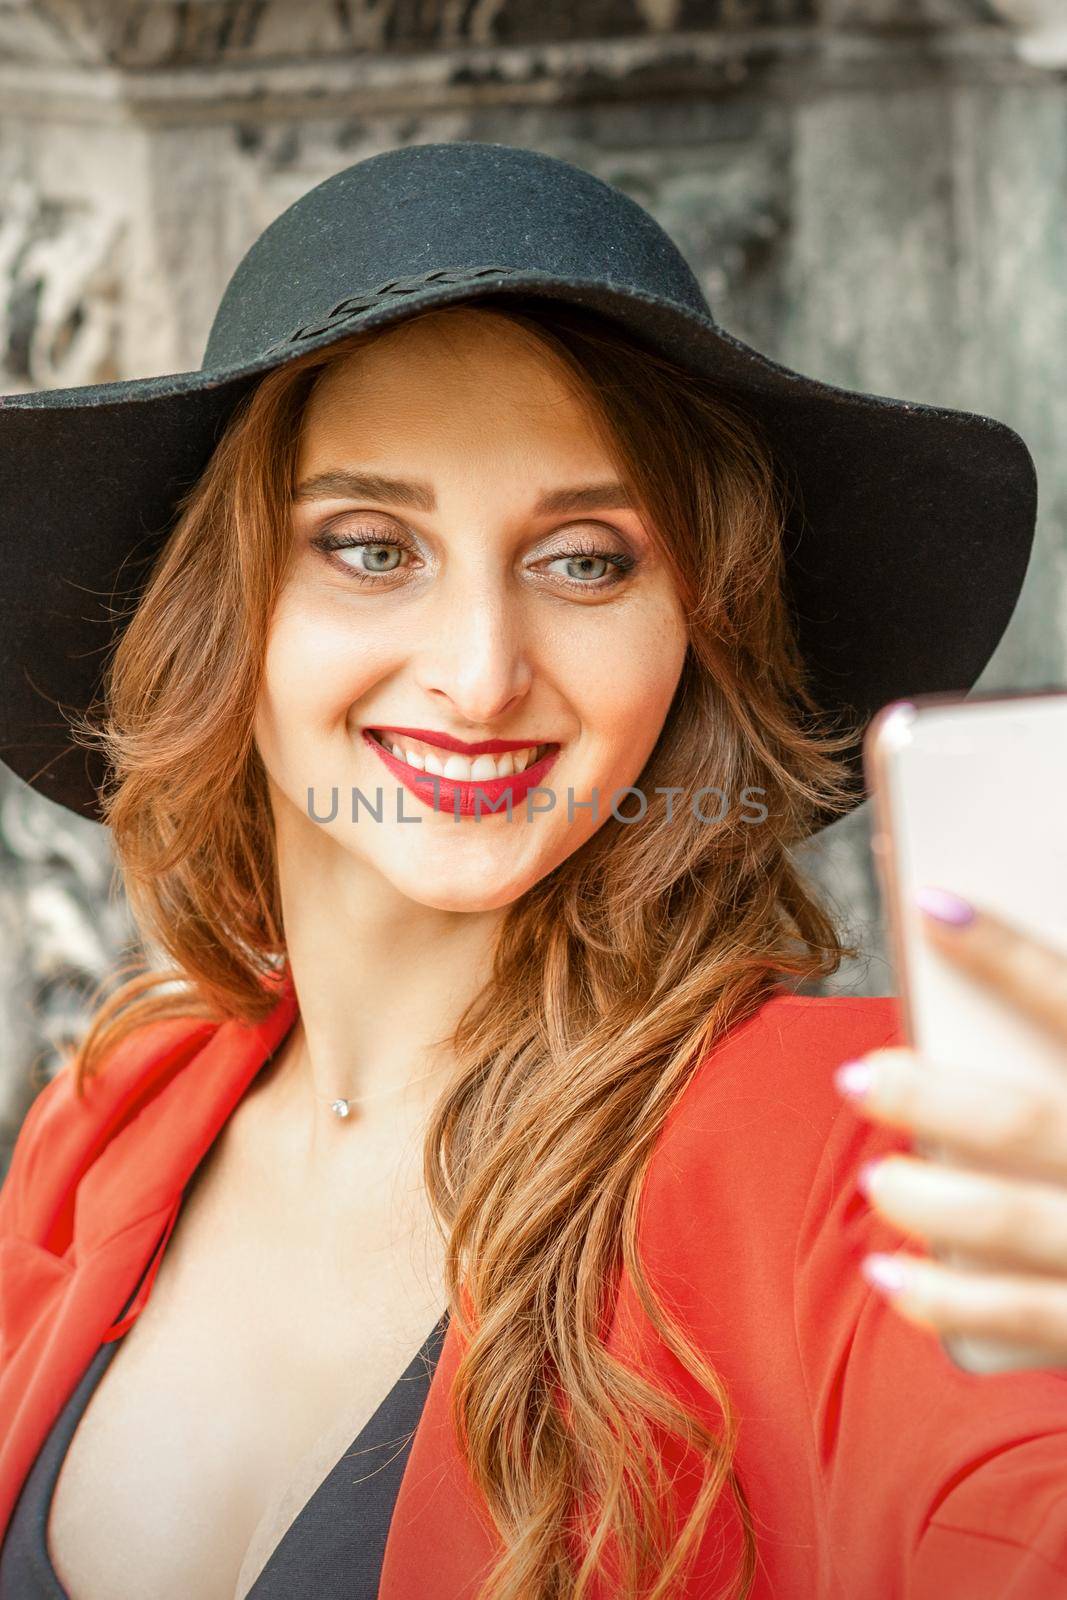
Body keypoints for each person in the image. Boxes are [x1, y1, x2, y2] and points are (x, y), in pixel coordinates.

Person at [0, 140, 1062, 1600]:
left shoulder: (865, 1153)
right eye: (372, 547)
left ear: (701, 627)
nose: (482, 675)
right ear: (222, 605)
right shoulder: (107, 1123)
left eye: (586, 560)